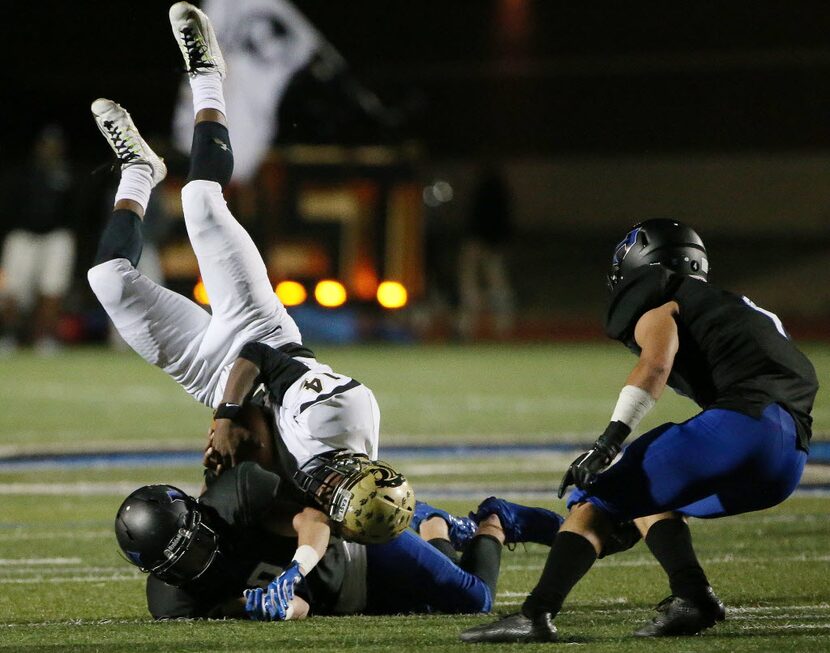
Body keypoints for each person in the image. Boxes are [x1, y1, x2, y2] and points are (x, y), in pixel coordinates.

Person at [461, 219, 818, 643]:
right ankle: (692, 597)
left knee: (597, 500)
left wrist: (608, 442)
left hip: (743, 426)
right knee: (649, 493)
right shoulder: (737, 305)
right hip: (788, 456)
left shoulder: (665, 300)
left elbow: (656, 365)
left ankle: (535, 614)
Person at [87, 3, 379, 480]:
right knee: (200, 199)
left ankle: (138, 172)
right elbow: (262, 358)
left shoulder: (302, 499)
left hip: (209, 377)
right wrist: (226, 417)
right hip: (261, 336)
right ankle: (206, 74)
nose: (332, 493)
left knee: (107, 281)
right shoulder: (343, 421)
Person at [114, 459, 565, 620]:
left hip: (355, 547)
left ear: (198, 514)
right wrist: (264, 607)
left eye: (194, 542)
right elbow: (301, 608)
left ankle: (494, 520)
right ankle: (434, 527)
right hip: (346, 598)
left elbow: (313, 517)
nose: (199, 558)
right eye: (183, 563)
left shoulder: (235, 495)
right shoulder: (171, 602)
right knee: (430, 607)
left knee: (474, 600)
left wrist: (295, 570)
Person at [0, 125, 77, 354]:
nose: (51, 149)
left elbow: (76, 211)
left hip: (56, 236)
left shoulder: (67, 174)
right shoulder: (23, 173)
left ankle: (44, 338)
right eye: (47, 145)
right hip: (23, 235)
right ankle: (8, 335)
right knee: (11, 290)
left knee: (52, 290)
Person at [457, 166, 516, 340]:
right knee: (490, 284)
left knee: (481, 284)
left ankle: (471, 328)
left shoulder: (487, 190)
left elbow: (481, 217)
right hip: (487, 242)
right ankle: (500, 328)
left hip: (482, 241)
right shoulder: (497, 190)